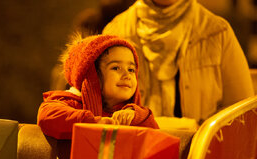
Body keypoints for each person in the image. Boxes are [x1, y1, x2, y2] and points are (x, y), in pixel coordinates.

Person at [103, 0, 255, 128]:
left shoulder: (217, 32)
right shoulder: (116, 32)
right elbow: (103, 108)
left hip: (198, 158)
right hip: (135, 156)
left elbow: (241, 116)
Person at [38, 34, 159, 139]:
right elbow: (47, 116)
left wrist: (136, 115)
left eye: (131, 69)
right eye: (116, 68)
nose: (127, 75)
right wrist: (94, 122)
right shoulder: (72, 103)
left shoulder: (129, 114)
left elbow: (155, 135)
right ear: (92, 75)